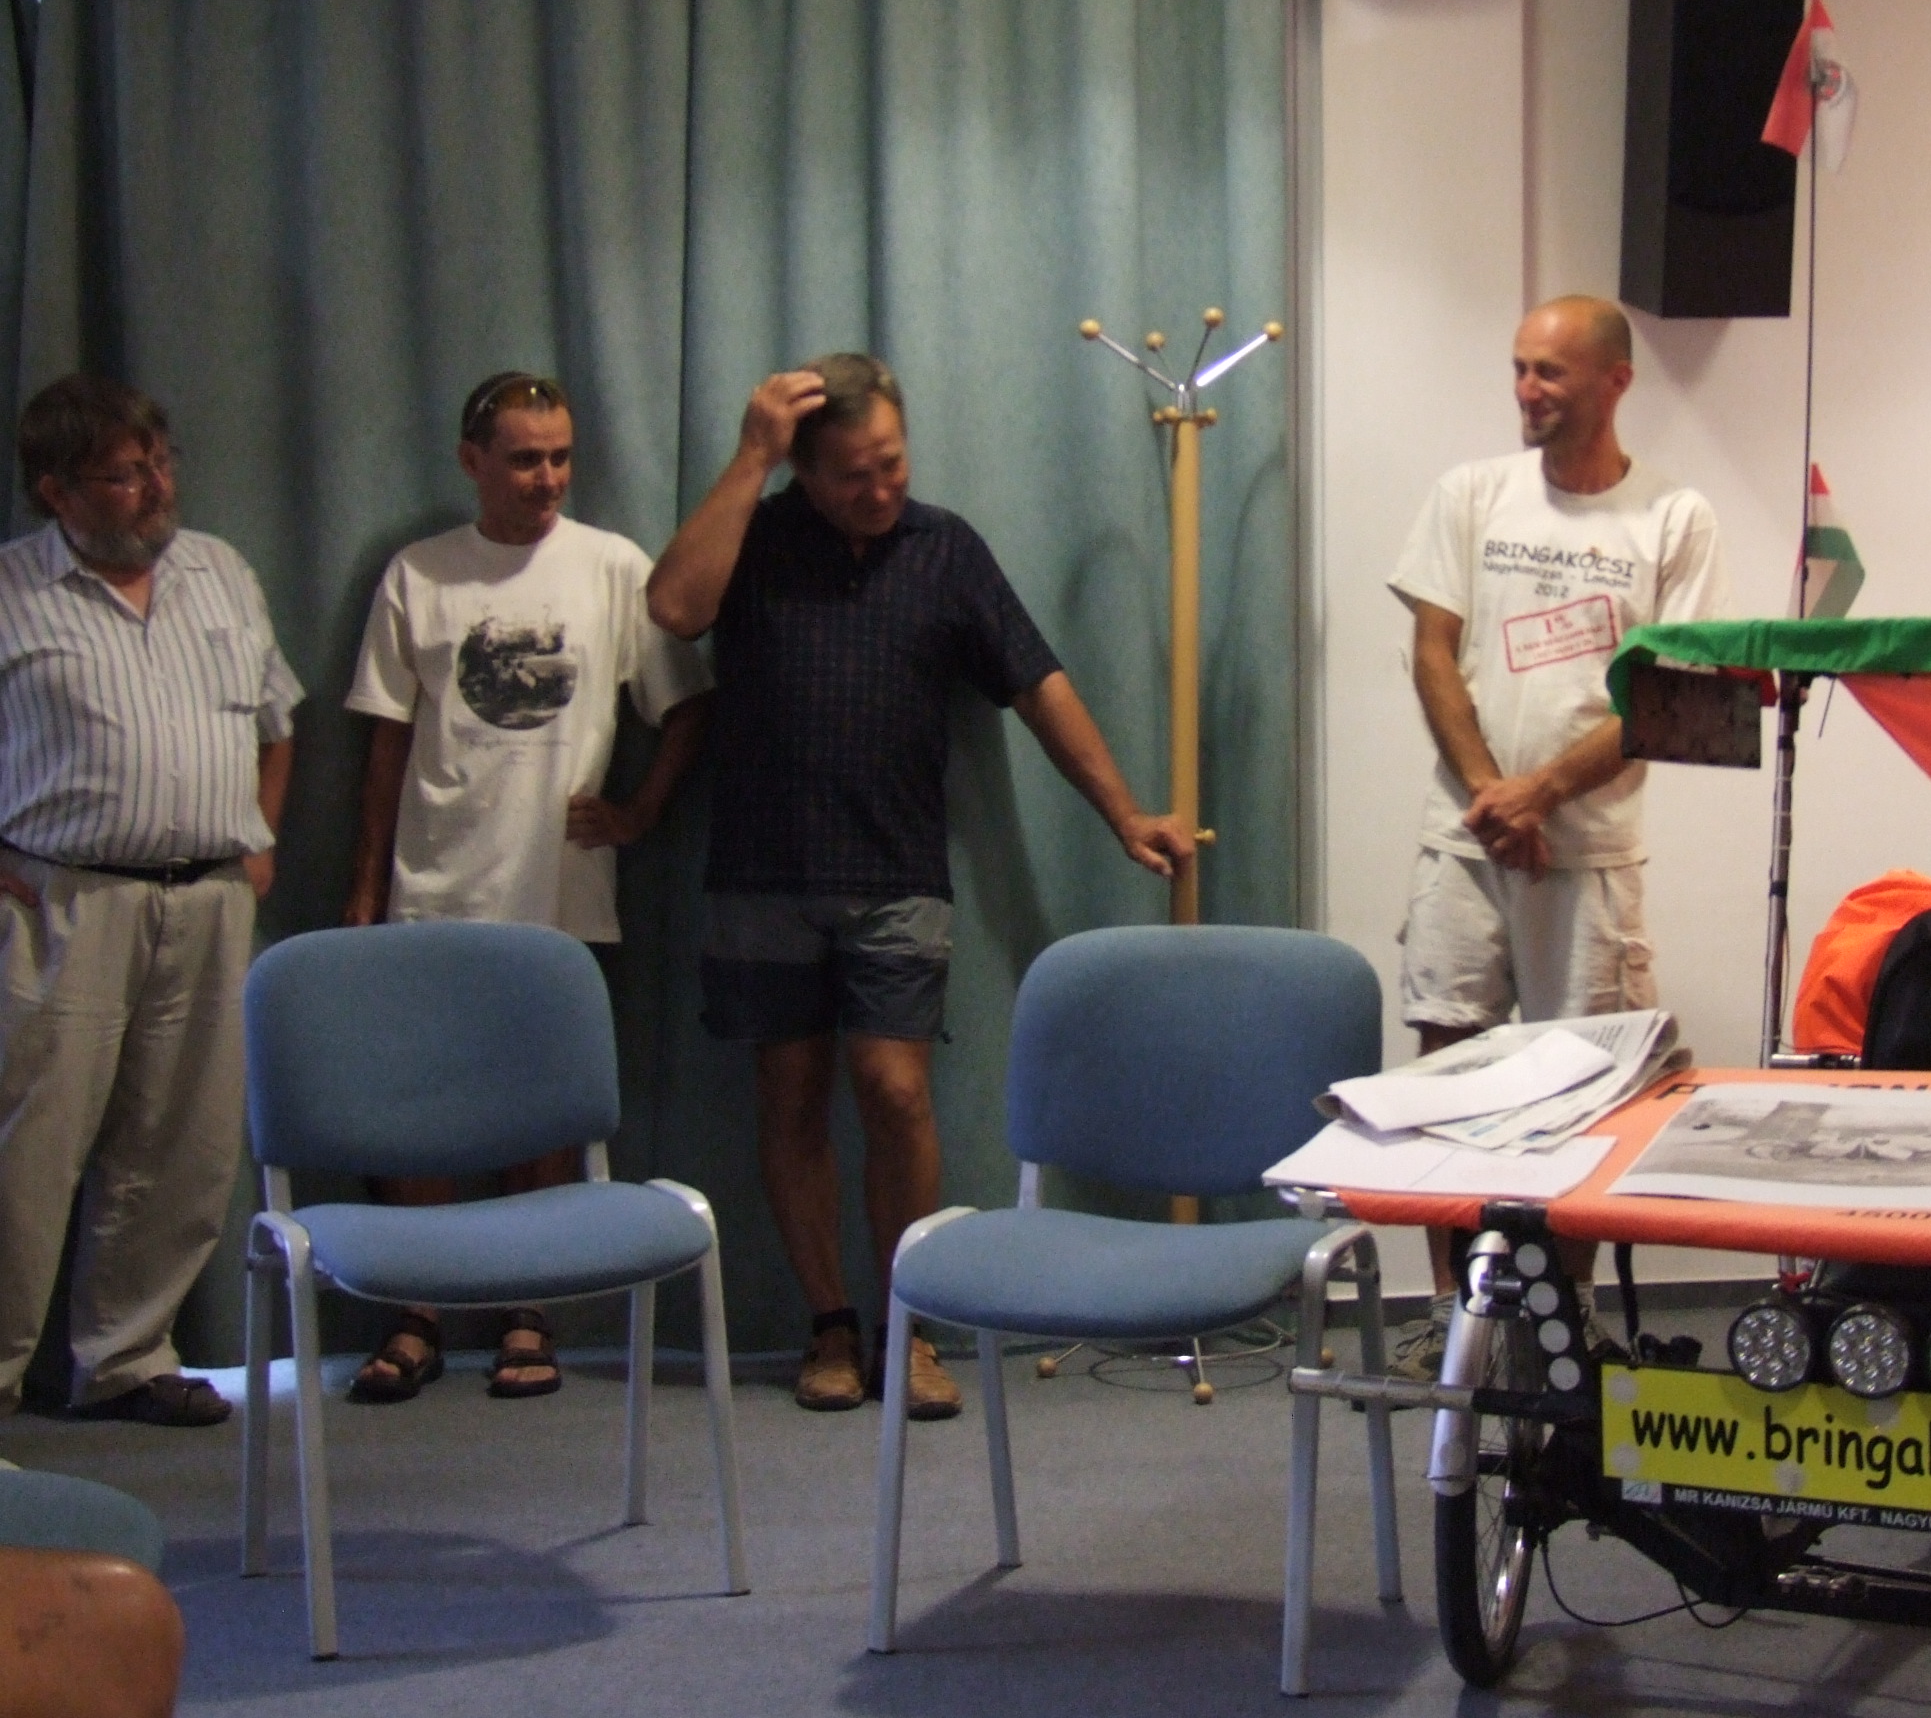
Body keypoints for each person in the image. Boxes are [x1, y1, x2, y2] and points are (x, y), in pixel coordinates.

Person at [647, 354, 1193, 1421]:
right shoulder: (754, 536)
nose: (879, 488)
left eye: (892, 462)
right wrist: (750, 455)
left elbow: (1037, 684)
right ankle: (829, 1327)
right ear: (803, 472)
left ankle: (911, 1327)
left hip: (897, 873)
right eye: (852, 473)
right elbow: (673, 607)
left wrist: (1125, 812)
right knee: (789, 1096)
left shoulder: (945, 549)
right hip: (761, 872)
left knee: (895, 1094)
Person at [340, 372, 715, 1402]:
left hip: (561, 891)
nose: (546, 478)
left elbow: (687, 705)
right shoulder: (420, 574)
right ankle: (417, 1311)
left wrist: (639, 813)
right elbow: (384, 742)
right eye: (523, 459)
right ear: (473, 462)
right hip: (435, 887)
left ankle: (526, 1309)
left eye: (560, 457)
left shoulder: (613, 566)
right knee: (420, 1110)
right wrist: (365, 889)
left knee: (543, 1110)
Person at [1385, 296, 1730, 1377]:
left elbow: (1667, 695)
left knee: (1586, 1089)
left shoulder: (1674, 519)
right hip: (1468, 843)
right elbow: (1432, 654)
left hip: (1589, 857)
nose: (1527, 391)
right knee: (1446, 1071)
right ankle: (1454, 1320)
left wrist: (1542, 794)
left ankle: (1558, 1329)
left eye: (1550, 373)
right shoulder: (1472, 493)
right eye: (1520, 369)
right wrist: (1496, 797)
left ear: (1615, 381)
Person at [0, 374, 300, 1425]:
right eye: (125, 476)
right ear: (56, 492)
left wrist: (258, 838)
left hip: (211, 900)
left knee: (182, 1143)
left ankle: (125, 1358)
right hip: (66, 903)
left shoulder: (220, 571)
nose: (156, 488)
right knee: (29, 1149)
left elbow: (276, 721)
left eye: (160, 464)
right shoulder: (11, 590)